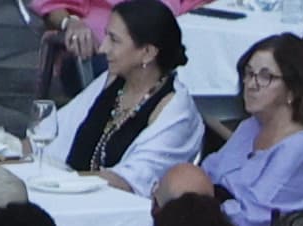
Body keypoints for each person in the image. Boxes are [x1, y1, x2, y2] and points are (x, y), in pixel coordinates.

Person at [38, 2, 204, 192]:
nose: (102, 49)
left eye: (114, 40)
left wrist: (60, 181)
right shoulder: (112, 81)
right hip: (65, 194)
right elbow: (53, 132)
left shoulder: (175, 112)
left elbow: (134, 179)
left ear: (147, 53)